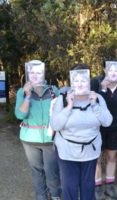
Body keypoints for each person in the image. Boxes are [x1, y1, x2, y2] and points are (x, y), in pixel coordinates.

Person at [50, 64, 113, 200]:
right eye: (76, 80)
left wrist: (94, 104)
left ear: (89, 81)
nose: (80, 83)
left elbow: (107, 122)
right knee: (69, 187)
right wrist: (69, 107)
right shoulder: (62, 99)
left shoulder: (97, 98)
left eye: (83, 80)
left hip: (90, 151)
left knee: (88, 187)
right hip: (67, 151)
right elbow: (55, 125)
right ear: (71, 81)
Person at [15, 60, 61, 200]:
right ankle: (41, 196)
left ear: (44, 74)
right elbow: (20, 115)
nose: (35, 75)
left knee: (51, 171)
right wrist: (27, 95)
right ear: (28, 74)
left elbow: (60, 114)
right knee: (37, 171)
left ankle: (55, 195)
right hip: (30, 139)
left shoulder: (54, 90)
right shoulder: (22, 92)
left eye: (39, 72)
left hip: (50, 139)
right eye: (32, 72)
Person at [91, 61, 117, 200]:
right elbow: (97, 105)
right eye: (110, 69)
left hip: (115, 129)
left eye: (116, 70)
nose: (113, 73)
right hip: (98, 128)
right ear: (105, 70)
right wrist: (103, 89)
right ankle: (97, 188)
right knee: (96, 160)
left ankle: (110, 186)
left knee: (112, 157)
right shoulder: (96, 84)